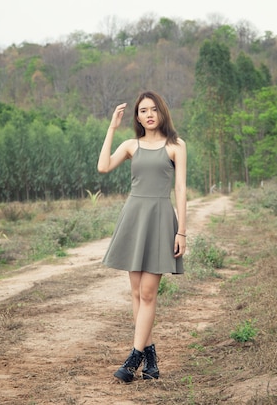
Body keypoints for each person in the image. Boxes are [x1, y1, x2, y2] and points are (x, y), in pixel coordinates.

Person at [97, 90, 187, 383]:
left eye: (153, 110)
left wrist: (182, 231)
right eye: (142, 111)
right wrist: (112, 127)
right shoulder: (131, 145)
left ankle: (134, 358)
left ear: (162, 112)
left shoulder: (176, 145)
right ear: (137, 117)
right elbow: (104, 166)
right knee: (136, 294)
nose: (148, 114)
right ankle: (151, 360)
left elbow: (181, 190)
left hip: (161, 220)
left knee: (148, 294)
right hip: (134, 219)